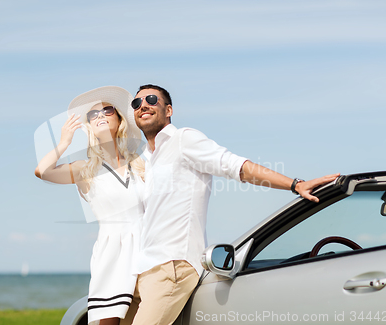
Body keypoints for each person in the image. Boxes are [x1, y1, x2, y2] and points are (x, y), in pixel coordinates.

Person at [123, 84, 340, 325]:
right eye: (136, 103)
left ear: (169, 110)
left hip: (170, 267)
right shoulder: (147, 160)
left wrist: (294, 184)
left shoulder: (183, 139)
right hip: (140, 270)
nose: (142, 105)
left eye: (151, 100)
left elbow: (235, 167)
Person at [35, 86, 145, 325]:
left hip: (147, 253)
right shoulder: (85, 169)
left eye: (107, 110)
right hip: (113, 257)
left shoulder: (139, 165)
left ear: (119, 119)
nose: (100, 116)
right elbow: (42, 171)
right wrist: (64, 142)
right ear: (88, 126)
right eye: (93, 115)